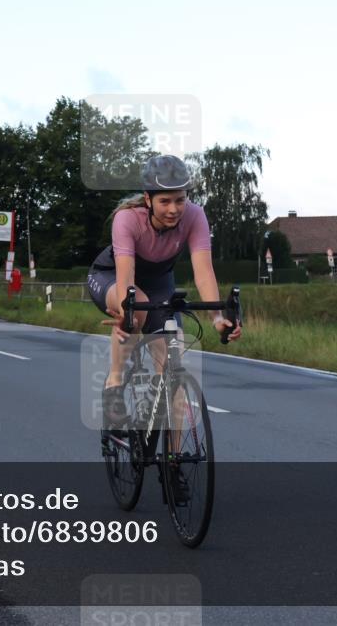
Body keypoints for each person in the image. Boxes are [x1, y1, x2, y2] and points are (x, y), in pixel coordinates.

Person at [86, 155, 242, 492]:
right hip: (112, 277)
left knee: (173, 369)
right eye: (165, 201)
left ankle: (173, 465)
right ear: (148, 199)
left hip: (159, 283)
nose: (174, 209)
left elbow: (203, 271)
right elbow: (126, 274)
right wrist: (127, 313)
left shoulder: (196, 216)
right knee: (136, 308)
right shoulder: (128, 219)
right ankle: (114, 385)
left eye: (180, 200)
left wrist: (217, 318)